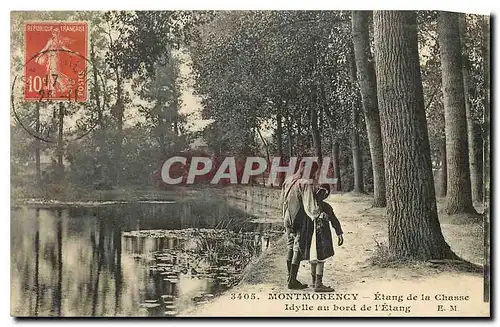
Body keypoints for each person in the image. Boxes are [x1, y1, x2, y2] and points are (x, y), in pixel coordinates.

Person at [280, 161, 326, 289]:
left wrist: (284, 216)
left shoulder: (288, 181)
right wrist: (317, 215)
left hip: (287, 217)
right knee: (297, 249)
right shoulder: (305, 183)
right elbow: (309, 204)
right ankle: (292, 281)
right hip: (299, 219)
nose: (314, 175)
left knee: (290, 246)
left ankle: (290, 278)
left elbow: (282, 200)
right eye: (314, 172)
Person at [307, 184, 344, 292]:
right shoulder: (325, 207)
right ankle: (318, 284)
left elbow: (334, 220)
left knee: (313, 257)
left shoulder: (309, 207)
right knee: (320, 259)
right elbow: (334, 220)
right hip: (321, 235)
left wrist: (339, 232)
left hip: (311, 235)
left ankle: (314, 282)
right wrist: (339, 233)